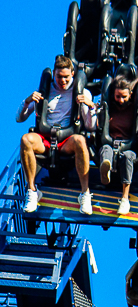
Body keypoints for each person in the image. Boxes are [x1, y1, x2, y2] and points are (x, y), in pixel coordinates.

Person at [17, 55, 96, 214]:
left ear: (72, 74)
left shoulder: (82, 92)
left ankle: (85, 194)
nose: (63, 81)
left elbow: (91, 126)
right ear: (54, 74)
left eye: (66, 77)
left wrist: (91, 107)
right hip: (45, 139)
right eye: (59, 77)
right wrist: (26, 102)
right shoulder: (45, 91)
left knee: (81, 141)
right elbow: (19, 118)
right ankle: (32, 191)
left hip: (67, 140)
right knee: (26, 140)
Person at [98, 75, 138, 216]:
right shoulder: (110, 107)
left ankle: (124, 198)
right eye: (118, 96)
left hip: (128, 146)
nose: (120, 100)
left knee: (128, 156)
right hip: (110, 142)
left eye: (124, 97)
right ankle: (106, 170)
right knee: (106, 149)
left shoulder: (134, 110)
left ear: (130, 95)